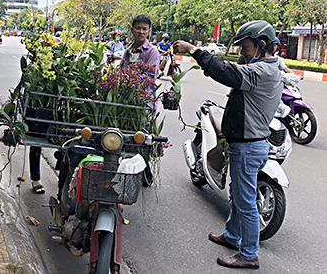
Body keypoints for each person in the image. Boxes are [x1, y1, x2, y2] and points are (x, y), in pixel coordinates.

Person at [173, 20, 283, 270]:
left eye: (245, 47)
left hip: (248, 147)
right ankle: (233, 237)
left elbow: (227, 72)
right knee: (237, 195)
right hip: (245, 144)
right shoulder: (268, 65)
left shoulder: (261, 72)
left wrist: (194, 50)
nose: (243, 53)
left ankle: (249, 254)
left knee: (245, 203)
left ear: (261, 45)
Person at [120, 15, 161, 186]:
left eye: (144, 29)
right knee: (127, 137)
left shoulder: (152, 53)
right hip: (128, 103)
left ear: (149, 32)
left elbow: (150, 75)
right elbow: (121, 69)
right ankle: (130, 170)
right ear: (132, 30)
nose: (141, 32)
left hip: (144, 103)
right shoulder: (129, 51)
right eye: (138, 28)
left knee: (141, 139)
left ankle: (145, 173)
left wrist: (130, 78)